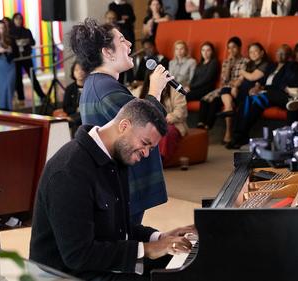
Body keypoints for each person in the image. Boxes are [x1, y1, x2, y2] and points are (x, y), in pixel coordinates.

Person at [30, 99, 195, 281]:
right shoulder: (69, 171)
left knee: (180, 263)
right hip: (67, 275)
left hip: (96, 266)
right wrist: (147, 249)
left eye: (151, 148)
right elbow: (78, 255)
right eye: (145, 143)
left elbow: (117, 228)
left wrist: (160, 237)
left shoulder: (116, 157)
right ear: (124, 126)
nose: (146, 153)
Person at [71, 18, 172, 226]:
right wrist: (155, 90)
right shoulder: (106, 89)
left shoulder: (97, 83)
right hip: (122, 185)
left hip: (116, 184)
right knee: (123, 246)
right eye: (123, 40)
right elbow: (143, 128)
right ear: (107, 52)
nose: (129, 45)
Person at [12, 12, 45, 102]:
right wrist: (17, 43)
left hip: (26, 57)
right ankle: (21, 98)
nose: (18, 21)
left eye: (20, 19)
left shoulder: (27, 31)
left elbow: (33, 42)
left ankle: (41, 95)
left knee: (32, 77)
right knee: (18, 79)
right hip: (16, 58)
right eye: (16, 19)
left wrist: (26, 41)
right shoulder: (11, 32)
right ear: (13, 20)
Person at [53, 61, 86, 136]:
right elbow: (66, 107)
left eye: (82, 69)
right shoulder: (69, 89)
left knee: (80, 117)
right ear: (73, 73)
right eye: (76, 70)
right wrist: (76, 109)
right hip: (75, 114)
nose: (80, 72)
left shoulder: (90, 86)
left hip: (87, 114)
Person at [0, 20, 17, 111]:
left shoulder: (11, 38)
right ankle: (0, 108)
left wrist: (10, 51)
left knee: (9, 86)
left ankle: (9, 108)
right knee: (0, 88)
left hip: (10, 66)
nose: (1, 30)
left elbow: (16, 53)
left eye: (2, 28)